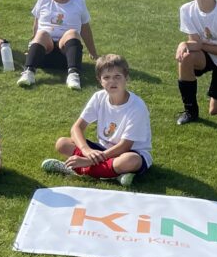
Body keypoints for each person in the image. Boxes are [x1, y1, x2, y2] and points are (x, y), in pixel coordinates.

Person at [42, 53, 152, 185]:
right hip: (102, 150)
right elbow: (77, 128)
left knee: (131, 160)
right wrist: (86, 150)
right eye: (107, 77)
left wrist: (88, 161)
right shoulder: (99, 97)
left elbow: (125, 146)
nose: (112, 81)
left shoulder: (137, 107)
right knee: (62, 143)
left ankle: (76, 169)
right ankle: (113, 174)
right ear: (100, 80)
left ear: (126, 77)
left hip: (128, 152)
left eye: (117, 76)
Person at [18, 0, 99, 90]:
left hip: (67, 55)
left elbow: (85, 29)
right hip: (44, 55)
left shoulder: (79, 3)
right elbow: (37, 23)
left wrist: (93, 53)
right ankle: (29, 72)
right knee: (42, 33)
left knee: (72, 32)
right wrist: (32, 47)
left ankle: (73, 74)